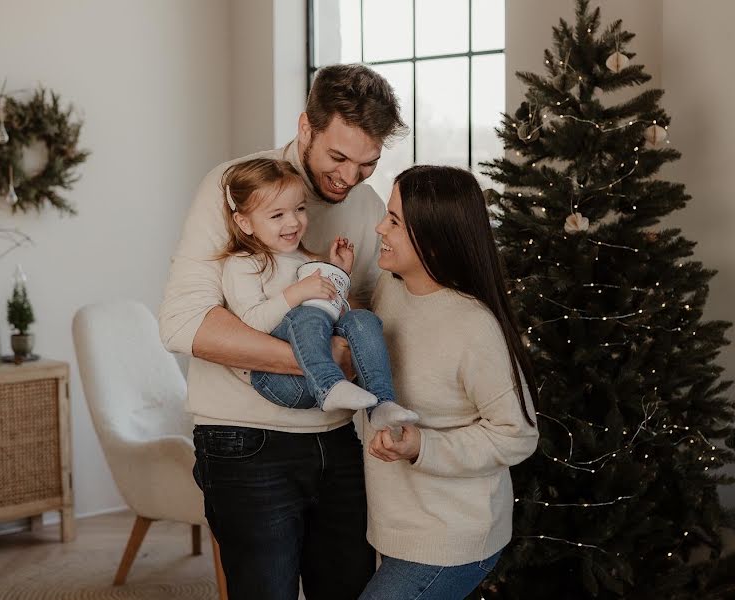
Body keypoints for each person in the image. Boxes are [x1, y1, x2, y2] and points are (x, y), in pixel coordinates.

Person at [158, 64, 406, 600]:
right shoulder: (236, 186)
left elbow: (361, 312)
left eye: (367, 163)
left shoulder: (367, 207)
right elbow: (184, 323)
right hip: (245, 441)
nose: (348, 177)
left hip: (341, 441)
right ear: (305, 128)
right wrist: (325, 364)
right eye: (337, 157)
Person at [358, 165, 540, 600]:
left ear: (434, 239)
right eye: (387, 213)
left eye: (395, 221)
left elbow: (518, 435)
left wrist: (424, 446)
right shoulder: (389, 288)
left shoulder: (473, 328)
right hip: (397, 525)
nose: (380, 227)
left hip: (452, 537)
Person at [218, 157, 419, 430]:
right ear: (245, 223)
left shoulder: (303, 258)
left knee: (362, 318)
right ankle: (330, 385)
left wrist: (339, 274)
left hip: (315, 369)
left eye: (299, 209)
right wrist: (299, 292)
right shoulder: (243, 264)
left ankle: (381, 404)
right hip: (278, 379)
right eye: (277, 215)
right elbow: (253, 323)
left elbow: (331, 312)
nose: (293, 222)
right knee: (308, 314)